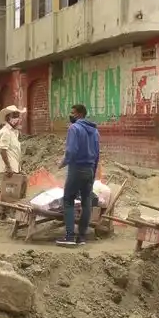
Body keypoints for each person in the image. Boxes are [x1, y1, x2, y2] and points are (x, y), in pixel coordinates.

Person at [57, 104, 100, 247]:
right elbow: (97, 155)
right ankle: (82, 237)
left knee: (68, 200)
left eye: (73, 113)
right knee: (86, 201)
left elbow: (71, 151)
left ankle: (69, 236)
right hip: (89, 170)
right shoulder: (94, 131)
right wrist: (93, 173)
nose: (71, 115)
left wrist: (62, 163)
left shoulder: (74, 129)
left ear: (80, 114)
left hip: (76, 169)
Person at [0, 105, 26, 221]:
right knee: (7, 192)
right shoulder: (6, 132)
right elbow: (3, 150)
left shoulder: (14, 132)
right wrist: (8, 167)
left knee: (13, 192)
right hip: (8, 168)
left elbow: (14, 152)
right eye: (15, 116)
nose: (18, 119)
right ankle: (3, 216)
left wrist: (18, 167)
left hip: (14, 167)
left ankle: (7, 215)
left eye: (18, 116)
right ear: (8, 118)